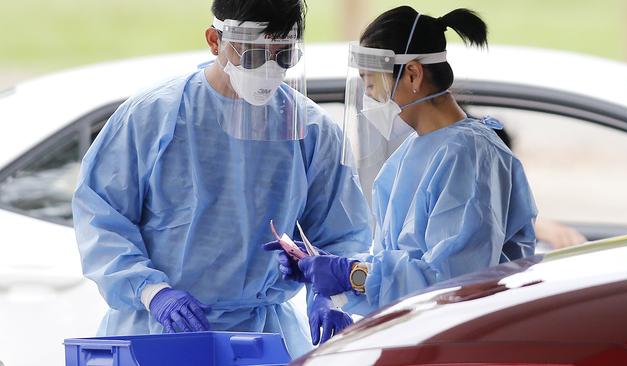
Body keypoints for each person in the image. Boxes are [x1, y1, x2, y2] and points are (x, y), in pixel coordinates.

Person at [71, 0, 371, 358]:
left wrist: (330, 294)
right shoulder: (156, 116)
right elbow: (102, 217)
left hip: (261, 339)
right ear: (215, 41)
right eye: (255, 54)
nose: (270, 69)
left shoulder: (310, 130)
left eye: (283, 55)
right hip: (161, 331)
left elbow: (340, 235)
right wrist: (153, 292)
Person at [265, 6, 538, 340]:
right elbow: (397, 264)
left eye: (371, 83)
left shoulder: (471, 157)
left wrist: (349, 274)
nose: (368, 96)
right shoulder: (413, 153)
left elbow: (451, 280)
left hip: (464, 341)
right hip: (421, 337)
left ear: (412, 75)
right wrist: (323, 271)